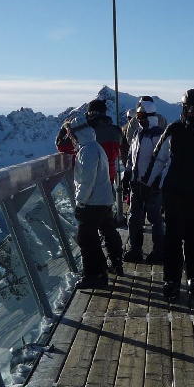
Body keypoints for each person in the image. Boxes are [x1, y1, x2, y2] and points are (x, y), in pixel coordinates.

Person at [142, 88, 194, 300]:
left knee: (193, 236)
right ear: (184, 108)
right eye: (190, 108)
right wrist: (147, 183)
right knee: (172, 236)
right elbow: (158, 158)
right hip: (173, 191)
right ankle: (171, 280)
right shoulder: (174, 129)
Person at [64, 117, 123, 289]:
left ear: (78, 133)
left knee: (85, 237)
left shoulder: (87, 151)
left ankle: (95, 275)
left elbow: (87, 181)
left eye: (71, 134)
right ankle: (105, 268)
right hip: (103, 199)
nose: (70, 138)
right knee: (100, 232)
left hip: (93, 202)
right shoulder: (94, 146)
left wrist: (81, 203)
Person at [122, 96, 166, 263]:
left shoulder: (157, 135)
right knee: (134, 217)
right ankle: (136, 249)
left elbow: (163, 160)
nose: (138, 119)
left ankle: (159, 251)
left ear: (149, 115)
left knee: (155, 219)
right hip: (137, 183)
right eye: (137, 116)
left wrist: (156, 182)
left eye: (140, 116)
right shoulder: (138, 133)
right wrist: (127, 174)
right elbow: (131, 158)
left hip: (152, 186)